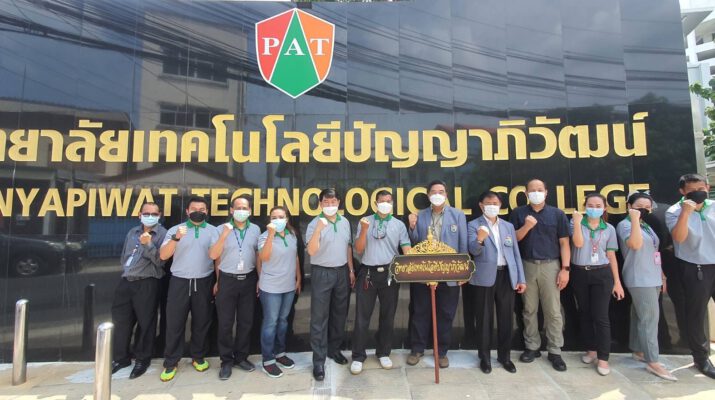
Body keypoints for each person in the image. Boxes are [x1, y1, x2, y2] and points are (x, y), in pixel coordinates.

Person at [510, 179, 570, 371]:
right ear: (526, 193)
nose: (536, 193)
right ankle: (532, 346)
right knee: (529, 309)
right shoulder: (518, 213)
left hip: (551, 266)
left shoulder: (557, 214)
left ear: (546, 192)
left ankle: (555, 350)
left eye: (539, 189)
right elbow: (512, 239)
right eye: (532, 190)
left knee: (553, 310)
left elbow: (564, 243)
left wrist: (565, 269)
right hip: (526, 265)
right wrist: (527, 226)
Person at [407, 180, 467, 369]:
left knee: (446, 314)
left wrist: (463, 271)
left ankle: (441, 352)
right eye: (434, 192)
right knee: (420, 312)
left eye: (441, 191)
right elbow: (415, 242)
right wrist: (412, 226)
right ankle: (417, 349)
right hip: (424, 272)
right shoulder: (421, 215)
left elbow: (463, 244)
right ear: (428, 195)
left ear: (446, 194)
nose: (437, 194)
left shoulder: (458, 215)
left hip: (449, 273)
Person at [350, 190, 412, 375]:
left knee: (388, 315)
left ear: (392, 203)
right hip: (368, 273)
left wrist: (414, 262)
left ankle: (384, 352)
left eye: (389, 201)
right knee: (362, 317)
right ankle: (358, 356)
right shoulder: (365, 221)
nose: (385, 203)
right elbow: (359, 249)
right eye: (382, 201)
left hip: (390, 274)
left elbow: (406, 248)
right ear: (375, 203)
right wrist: (364, 230)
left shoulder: (398, 224)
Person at [158, 196, 219, 382]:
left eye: (202, 209)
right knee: (174, 323)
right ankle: (171, 362)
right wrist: (176, 238)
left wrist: (218, 281)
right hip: (180, 281)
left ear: (207, 211)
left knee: (202, 321)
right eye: (194, 209)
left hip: (204, 280)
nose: (198, 212)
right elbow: (163, 255)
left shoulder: (213, 231)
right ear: (187, 211)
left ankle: (198, 357)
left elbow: (217, 257)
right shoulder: (175, 230)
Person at [617, 192, 676, 381]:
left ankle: (639, 350)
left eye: (647, 207)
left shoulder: (647, 225)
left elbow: (655, 251)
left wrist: (662, 275)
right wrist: (634, 219)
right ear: (629, 207)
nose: (643, 210)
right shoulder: (626, 225)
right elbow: (635, 244)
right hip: (639, 278)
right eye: (639, 207)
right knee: (650, 319)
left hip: (653, 276)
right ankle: (653, 361)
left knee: (639, 316)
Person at [467, 191, 526, 374]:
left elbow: (515, 253)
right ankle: (484, 358)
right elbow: (473, 251)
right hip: (484, 277)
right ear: (481, 205)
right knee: (484, 319)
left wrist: (520, 278)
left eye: (495, 203)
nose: (492, 206)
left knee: (506, 318)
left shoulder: (508, 226)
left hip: (506, 275)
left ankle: (504, 357)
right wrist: (480, 239)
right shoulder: (473, 225)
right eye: (488, 203)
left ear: (500, 205)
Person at [666, 173, 715, 379]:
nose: (698, 193)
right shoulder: (674, 211)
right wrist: (686, 212)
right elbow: (679, 238)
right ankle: (701, 358)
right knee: (696, 314)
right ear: (682, 192)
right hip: (696, 268)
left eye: (701, 189)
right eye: (692, 191)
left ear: (708, 187)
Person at [111, 202, 167, 379]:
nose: (150, 216)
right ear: (139, 215)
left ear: (159, 215)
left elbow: (161, 261)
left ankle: (142, 359)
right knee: (122, 322)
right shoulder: (132, 232)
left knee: (146, 323)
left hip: (147, 282)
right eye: (146, 213)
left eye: (154, 214)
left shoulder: (162, 234)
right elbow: (125, 255)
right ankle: (121, 358)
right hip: (126, 281)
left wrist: (148, 244)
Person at [570, 193, 624, 376]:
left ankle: (603, 357)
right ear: (585, 207)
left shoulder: (609, 228)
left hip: (602, 273)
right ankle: (591, 350)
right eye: (590, 205)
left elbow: (611, 256)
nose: (594, 208)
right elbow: (578, 243)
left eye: (598, 205)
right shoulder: (576, 223)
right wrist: (578, 223)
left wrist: (617, 282)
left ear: (604, 208)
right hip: (579, 272)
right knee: (584, 313)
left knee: (601, 316)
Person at [209, 194, 261, 380]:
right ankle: (226, 361)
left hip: (248, 279)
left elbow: (258, 255)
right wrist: (218, 280)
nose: (241, 211)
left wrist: (260, 279)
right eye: (237, 208)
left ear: (250, 211)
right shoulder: (220, 229)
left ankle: (241, 358)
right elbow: (214, 255)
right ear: (231, 210)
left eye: (244, 208)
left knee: (245, 322)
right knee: (225, 323)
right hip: (227, 279)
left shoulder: (255, 229)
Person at [306, 188, 355, 381]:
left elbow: (348, 247)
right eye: (326, 202)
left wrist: (351, 269)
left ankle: (334, 350)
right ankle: (318, 361)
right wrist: (319, 228)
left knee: (339, 313)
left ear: (339, 203)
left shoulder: (345, 222)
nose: (330, 205)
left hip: (342, 272)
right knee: (319, 318)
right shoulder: (313, 224)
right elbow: (311, 251)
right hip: (322, 272)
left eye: (333, 202)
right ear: (320, 204)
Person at [257, 206, 302, 378]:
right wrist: (270, 235)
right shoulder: (264, 236)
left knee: (283, 321)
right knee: (271, 322)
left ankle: (280, 353)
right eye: (274, 217)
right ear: (269, 220)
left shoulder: (292, 235)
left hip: (288, 286)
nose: (277, 220)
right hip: (271, 287)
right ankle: (268, 360)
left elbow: (295, 257)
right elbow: (264, 257)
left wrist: (298, 277)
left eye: (281, 216)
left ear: (287, 218)